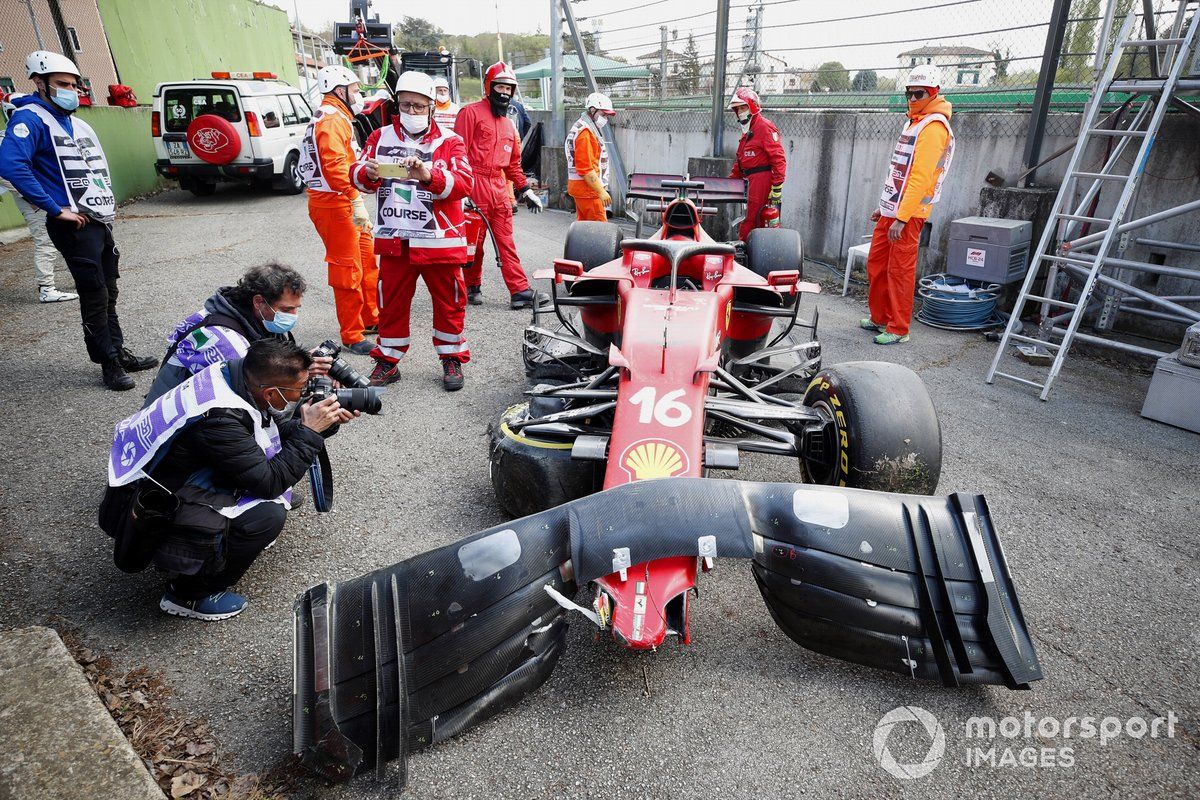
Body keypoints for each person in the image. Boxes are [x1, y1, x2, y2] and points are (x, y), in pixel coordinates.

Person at [105, 339, 354, 620]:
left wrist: (322, 424)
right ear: (271, 392)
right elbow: (270, 482)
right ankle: (187, 594)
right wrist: (310, 432)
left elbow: (270, 427)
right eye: (299, 391)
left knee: (276, 466)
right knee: (266, 514)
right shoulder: (220, 418)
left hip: (163, 474)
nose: (301, 396)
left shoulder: (232, 375)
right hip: (149, 507)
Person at [0, 51, 157, 391]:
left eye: (73, 84)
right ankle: (108, 363)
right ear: (39, 83)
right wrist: (55, 209)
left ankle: (118, 350)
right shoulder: (31, 118)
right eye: (61, 84)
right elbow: (11, 165)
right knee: (94, 293)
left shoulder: (71, 121)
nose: (69, 90)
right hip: (73, 224)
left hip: (97, 220)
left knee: (109, 290)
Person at [350, 71, 474, 391]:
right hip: (396, 238)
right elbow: (357, 175)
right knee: (390, 302)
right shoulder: (379, 137)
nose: (413, 112)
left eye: (419, 106)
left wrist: (429, 174)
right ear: (398, 105)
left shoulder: (450, 141)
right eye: (406, 105)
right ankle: (388, 362)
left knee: (450, 302)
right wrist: (368, 172)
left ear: (432, 107)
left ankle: (451, 358)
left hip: (439, 240)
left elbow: (464, 182)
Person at [144, 262, 331, 404]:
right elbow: (260, 401)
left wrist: (303, 360)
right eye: (286, 309)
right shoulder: (223, 341)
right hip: (175, 430)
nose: (293, 316)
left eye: (296, 308)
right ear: (258, 302)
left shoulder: (251, 317)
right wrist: (299, 374)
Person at [862, 64, 955, 345]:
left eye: (920, 94)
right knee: (876, 265)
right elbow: (898, 172)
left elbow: (920, 177)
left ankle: (899, 328)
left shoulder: (934, 127)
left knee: (899, 271)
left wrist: (902, 217)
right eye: (909, 94)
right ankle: (880, 318)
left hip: (910, 214)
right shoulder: (914, 122)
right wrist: (885, 207)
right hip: (894, 210)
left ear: (934, 92)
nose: (913, 99)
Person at [299, 64, 379, 355]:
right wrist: (354, 197)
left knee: (367, 260)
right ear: (339, 90)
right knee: (348, 270)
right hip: (334, 202)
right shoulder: (332, 120)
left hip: (343, 198)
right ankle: (352, 334)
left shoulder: (337, 117)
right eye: (355, 90)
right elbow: (334, 167)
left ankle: (370, 318)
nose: (359, 96)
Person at [455, 61, 546, 309]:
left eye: (509, 89)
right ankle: (471, 287)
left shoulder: (508, 125)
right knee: (474, 244)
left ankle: (519, 291)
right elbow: (457, 153)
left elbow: (513, 164)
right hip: (474, 184)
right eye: (500, 87)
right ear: (489, 86)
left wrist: (526, 189)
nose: (504, 93)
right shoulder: (470, 113)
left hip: (498, 187)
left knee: (506, 241)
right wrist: (460, 190)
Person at [1, 93, 77, 303]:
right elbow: (8, 172)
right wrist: (35, 197)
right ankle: (47, 287)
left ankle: (77, 277)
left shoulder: (40, 128)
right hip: (34, 202)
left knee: (66, 239)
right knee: (45, 241)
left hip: (49, 199)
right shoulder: (11, 136)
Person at [728, 87, 786, 243]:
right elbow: (740, 160)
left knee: (752, 218)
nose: (740, 112)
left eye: (743, 107)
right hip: (750, 180)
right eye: (737, 108)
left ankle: (745, 249)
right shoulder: (748, 131)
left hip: (762, 180)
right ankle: (749, 251)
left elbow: (778, 158)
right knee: (751, 217)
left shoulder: (764, 127)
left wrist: (776, 187)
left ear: (752, 106)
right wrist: (728, 183)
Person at [566, 92, 616, 222]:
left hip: (583, 189)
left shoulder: (583, 127)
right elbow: (585, 169)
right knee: (599, 233)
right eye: (603, 115)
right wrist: (601, 191)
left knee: (584, 231)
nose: (605, 119)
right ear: (592, 110)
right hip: (589, 191)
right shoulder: (586, 132)